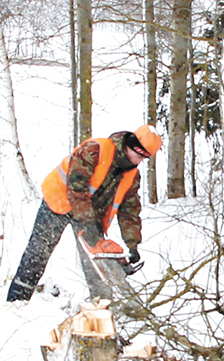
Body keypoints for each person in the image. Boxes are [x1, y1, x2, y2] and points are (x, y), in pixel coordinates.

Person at [7, 125, 161, 302]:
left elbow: (130, 210)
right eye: (140, 156)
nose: (140, 161)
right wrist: (88, 223)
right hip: (60, 199)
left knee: (96, 261)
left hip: (88, 212)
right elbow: (76, 187)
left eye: (145, 158)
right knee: (38, 251)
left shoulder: (131, 175)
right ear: (133, 147)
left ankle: (102, 307)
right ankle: (17, 301)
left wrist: (132, 243)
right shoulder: (96, 150)